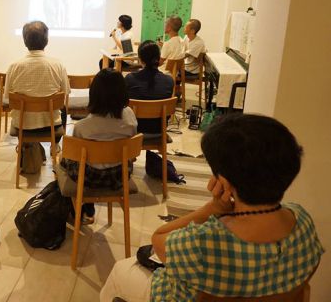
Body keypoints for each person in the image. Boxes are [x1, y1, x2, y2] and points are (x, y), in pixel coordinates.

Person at [100, 114, 324, 302]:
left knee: (121, 270)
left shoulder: (204, 242)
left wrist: (212, 207)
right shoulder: (303, 221)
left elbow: (159, 240)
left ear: (224, 183)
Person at [60, 69, 137, 224]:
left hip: (88, 178)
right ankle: (88, 209)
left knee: (63, 159)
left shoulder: (82, 126)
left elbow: (73, 158)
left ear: (93, 94)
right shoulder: (129, 116)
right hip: (119, 175)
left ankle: (79, 211)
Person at [4, 21, 70, 138]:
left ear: (24, 41)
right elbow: (65, 92)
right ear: (47, 41)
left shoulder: (13, 66)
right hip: (51, 124)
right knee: (62, 107)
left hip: (22, 125)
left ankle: (27, 148)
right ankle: (54, 146)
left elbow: (8, 97)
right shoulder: (58, 65)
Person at [125, 41, 174, 134]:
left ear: (140, 59)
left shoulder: (130, 79)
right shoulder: (169, 81)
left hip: (135, 129)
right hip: (159, 130)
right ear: (159, 58)